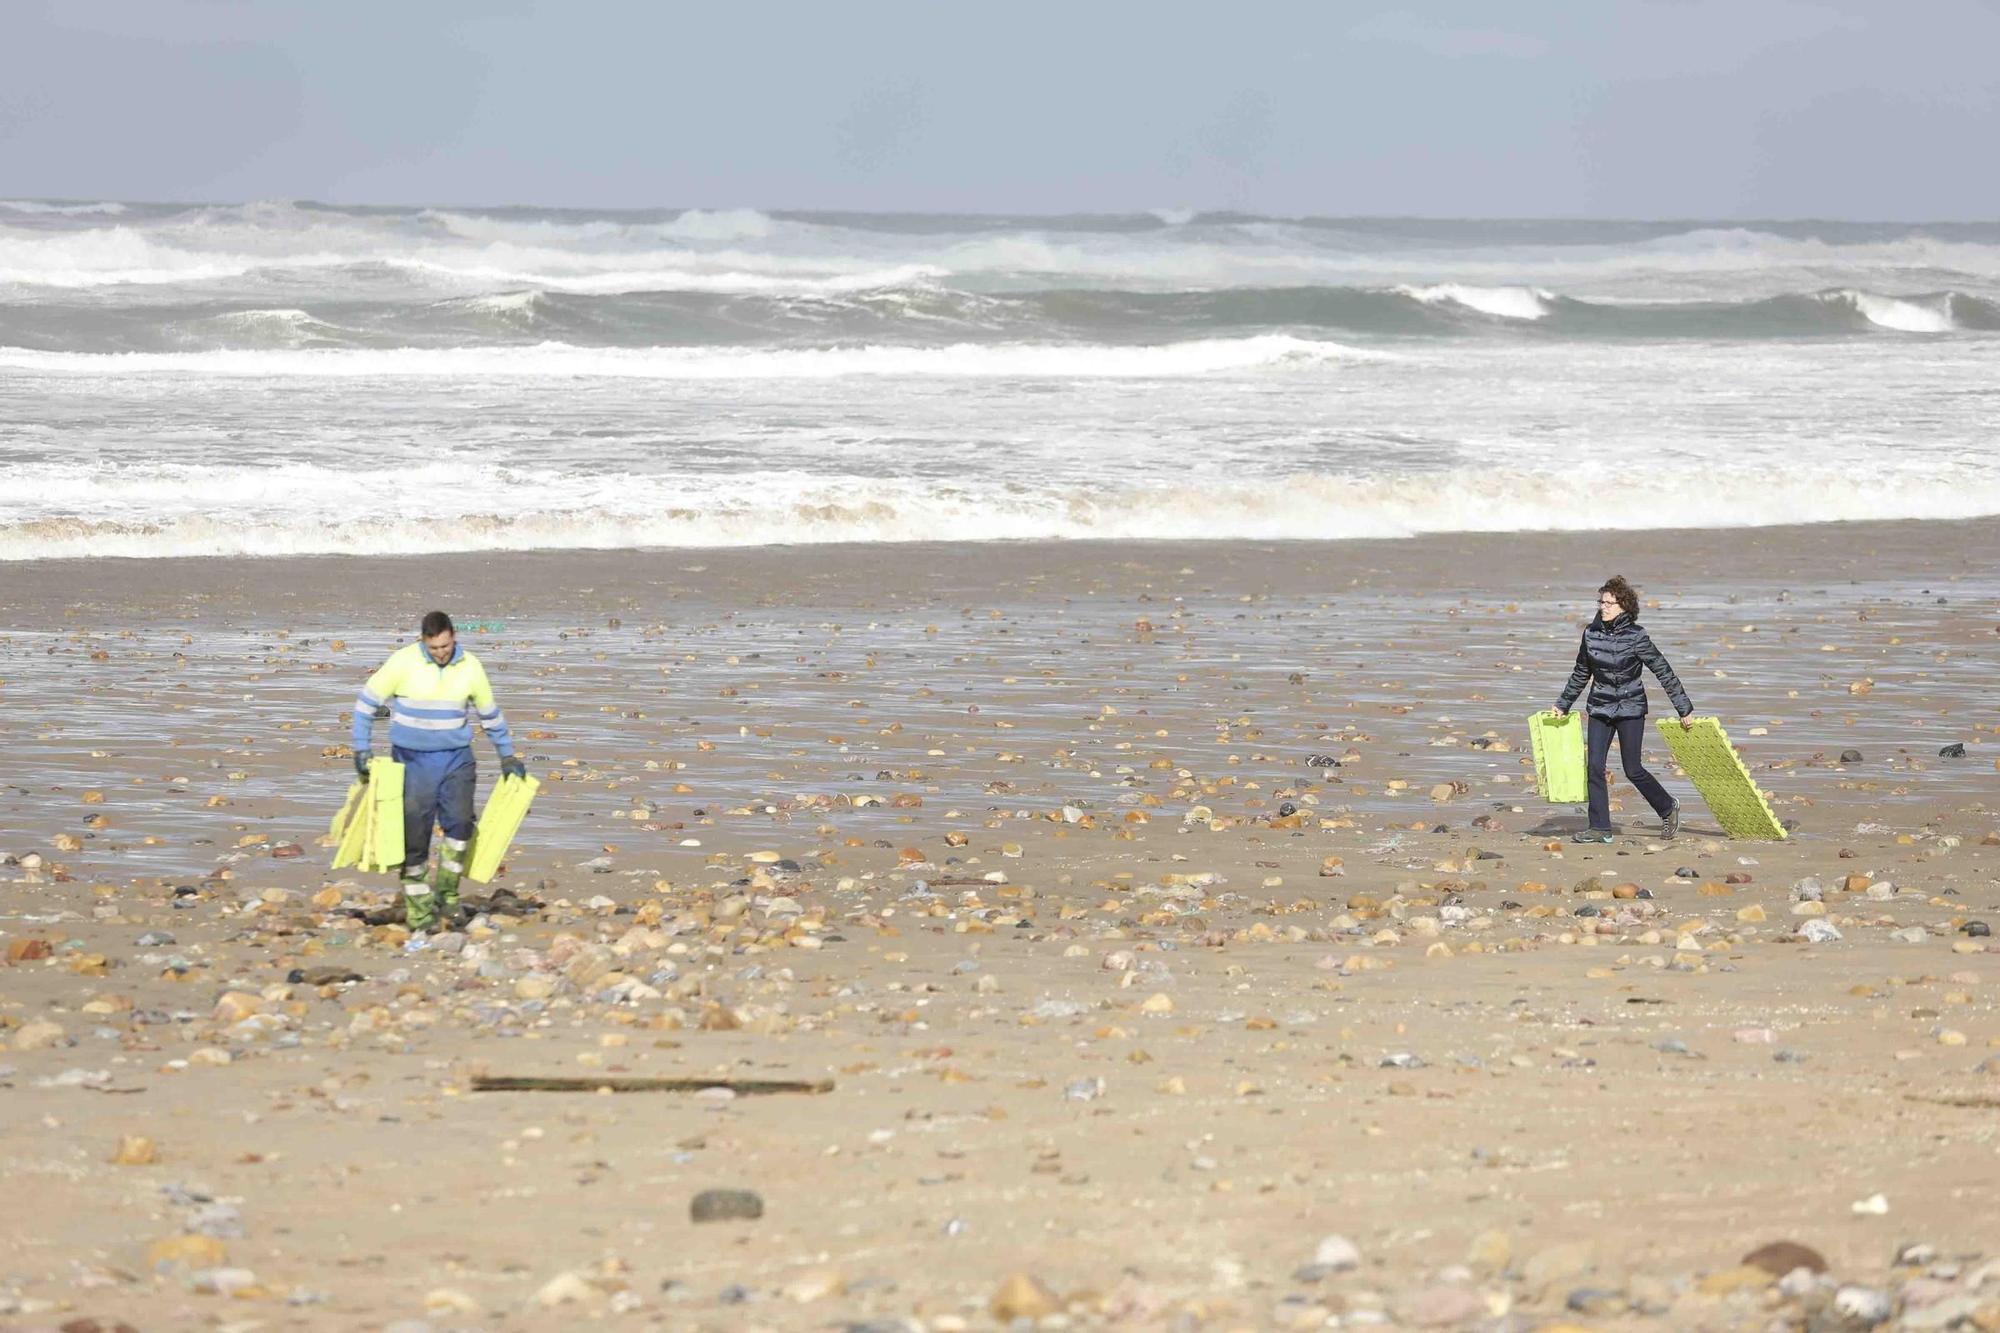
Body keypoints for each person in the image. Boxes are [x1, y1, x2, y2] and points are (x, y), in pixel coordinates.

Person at [351, 611, 524, 930]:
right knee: (415, 836)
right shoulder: (402, 663)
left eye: (445, 646)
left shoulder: (470, 666)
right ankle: (419, 911)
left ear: (453, 636)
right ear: (423, 641)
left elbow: (490, 715)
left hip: (457, 759)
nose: (441, 653)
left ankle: (447, 897)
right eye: (434, 648)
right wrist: (361, 749)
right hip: (412, 761)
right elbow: (365, 705)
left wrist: (507, 757)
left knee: (460, 827)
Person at [1552, 576, 1692, 844]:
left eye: (1609, 603)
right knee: (1594, 767)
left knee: (1633, 768)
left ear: (1623, 606)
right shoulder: (1590, 634)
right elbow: (1581, 672)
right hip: (1600, 707)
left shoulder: (1637, 637)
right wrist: (1563, 703)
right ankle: (1600, 827)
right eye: (1601, 602)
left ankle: (1667, 807)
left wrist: (1683, 708)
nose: (1603, 607)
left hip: (1630, 708)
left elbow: (1663, 670)